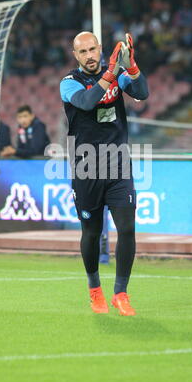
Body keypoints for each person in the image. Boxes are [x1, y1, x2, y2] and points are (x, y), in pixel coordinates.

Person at [60, 31, 149, 316]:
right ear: (75, 55)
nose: (89, 55)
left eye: (92, 49)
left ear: (100, 49)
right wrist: (110, 72)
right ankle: (95, 290)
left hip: (118, 163)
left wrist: (132, 68)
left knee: (127, 228)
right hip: (86, 168)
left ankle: (121, 293)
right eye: (82, 51)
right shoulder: (68, 83)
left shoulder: (118, 74)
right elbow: (86, 103)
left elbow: (142, 93)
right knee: (91, 232)